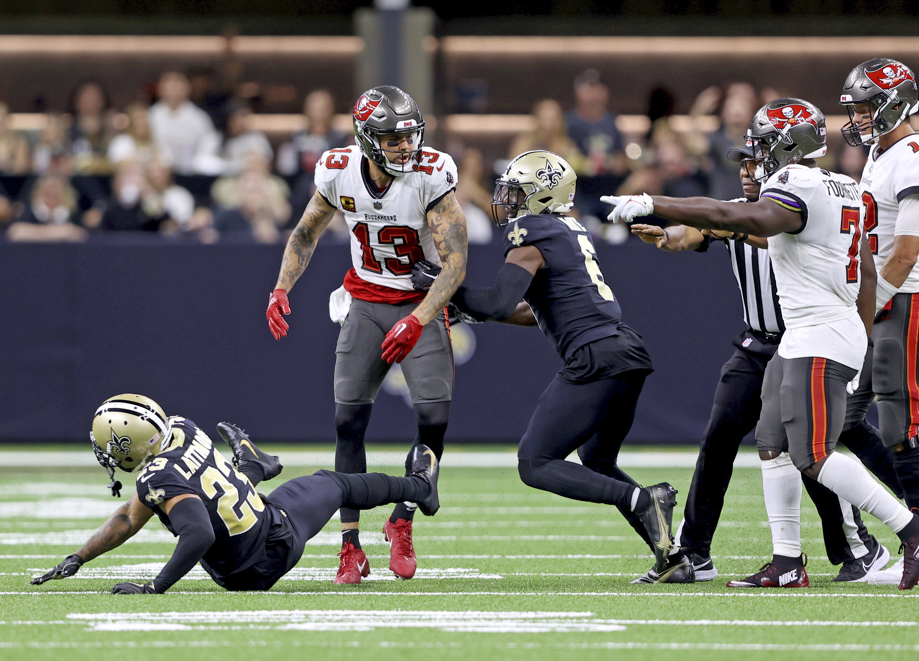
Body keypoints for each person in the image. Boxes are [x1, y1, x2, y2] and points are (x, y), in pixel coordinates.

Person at [603, 97, 919, 590]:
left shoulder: (793, 183)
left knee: (814, 455)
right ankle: (787, 562)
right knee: (770, 442)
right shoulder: (841, 185)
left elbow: (747, 219)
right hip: (814, 331)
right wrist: (861, 328)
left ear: (789, 145)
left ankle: (915, 529)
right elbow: (865, 266)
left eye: (763, 145)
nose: (755, 157)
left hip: (817, 329)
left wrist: (656, 200)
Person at [414, 149, 687, 583]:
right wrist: (467, 308)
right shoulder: (566, 227)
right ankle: (672, 558)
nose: (507, 199)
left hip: (596, 356)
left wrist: (445, 288)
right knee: (597, 459)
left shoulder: (532, 229)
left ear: (540, 197)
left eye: (517, 192)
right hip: (624, 352)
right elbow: (527, 311)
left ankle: (642, 500)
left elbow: (498, 300)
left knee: (534, 462)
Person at [265, 85, 468, 584]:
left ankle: (403, 516)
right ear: (366, 139)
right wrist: (280, 287)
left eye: (410, 135)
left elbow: (456, 262)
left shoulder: (431, 174)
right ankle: (350, 545)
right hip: (365, 302)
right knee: (348, 422)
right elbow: (306, 232)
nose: (406, 146)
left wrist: (418, 317)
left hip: (418, 302)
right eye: (393, 138)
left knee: (434, 416)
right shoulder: (337, 170)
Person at [30, 394, 439, 594]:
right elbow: (135, 520)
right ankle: (419, 486)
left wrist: (154, 587)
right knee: (337, 483)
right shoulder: (183, 429)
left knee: (330, 484)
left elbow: (197, 532)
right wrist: (80, 557)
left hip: (250, 560)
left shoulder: (156, 478)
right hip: (263, 548)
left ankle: (253, 468)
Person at [839, 58, 919, 585]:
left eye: (867, 106)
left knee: (898, 426)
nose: (859, 118)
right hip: (879, 302)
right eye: (856, 108)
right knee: (842, 419)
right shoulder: (881, 155)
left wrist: (863, 311)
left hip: (903, 302)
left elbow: (906, 253)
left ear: (897, 103)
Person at [148, 71, 218, 175]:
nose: (173, 92)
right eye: (169, 88)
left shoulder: (199, 117)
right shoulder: (151, 116)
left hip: (193, 173)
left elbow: (210, 141)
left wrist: (199, 161)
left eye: (176, 88)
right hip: (158, 173)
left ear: (187, 89)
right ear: (160, 90)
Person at [276, 89, 350, 179]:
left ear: (331, 110)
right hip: (299, 186)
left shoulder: (341, 141)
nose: (318, 113)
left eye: (322, 108)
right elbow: (286, 171)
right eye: (313, 108)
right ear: (306, 110)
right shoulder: (294, 139)